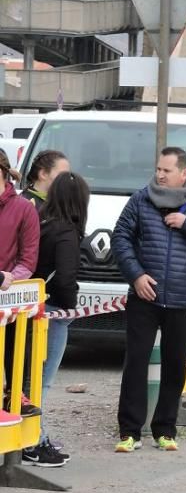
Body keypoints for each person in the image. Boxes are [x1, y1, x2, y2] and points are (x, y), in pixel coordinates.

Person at [112, 147, 186, 453]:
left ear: (184, 174)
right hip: (144, 298)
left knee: (175, 366)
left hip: (181, 300)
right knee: (135, 363)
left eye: (166, 170)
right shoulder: (140, 200)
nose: (160, 175)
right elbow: (120, 238)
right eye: (158, 170)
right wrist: (136, 276)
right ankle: (129, 431)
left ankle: (165, 429)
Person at [21, 172, 89, 468]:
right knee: (41, 383)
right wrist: (70, 307)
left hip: (31, 310)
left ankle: (34, 438)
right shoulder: (67, 232)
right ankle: (34, 442)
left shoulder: (43, 224)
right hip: (52, 314)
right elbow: (65, 278)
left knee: (26, 380)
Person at [1, 149, 40, 422]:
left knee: (15, 343)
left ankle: (16, 393)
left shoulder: (24, 208)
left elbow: (28, 259)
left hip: (8, 293)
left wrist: (11, 281)